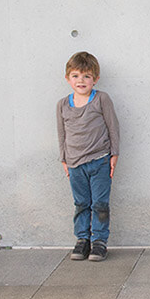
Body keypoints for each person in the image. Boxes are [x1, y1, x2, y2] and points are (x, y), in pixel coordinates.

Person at [56, 51, 120, 262]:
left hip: (99, 160)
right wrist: (64, 159)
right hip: (75, 164)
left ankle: (99, 242)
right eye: (75, 76)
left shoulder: (101, 99)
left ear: (95, 79)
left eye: (86, 76)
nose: (81, 81)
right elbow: (62, 134)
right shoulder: (63, 105)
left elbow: (113, 127)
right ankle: (82, 240)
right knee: (81, 203)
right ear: (68, 78)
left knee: (100, 204)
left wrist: (114, 154)